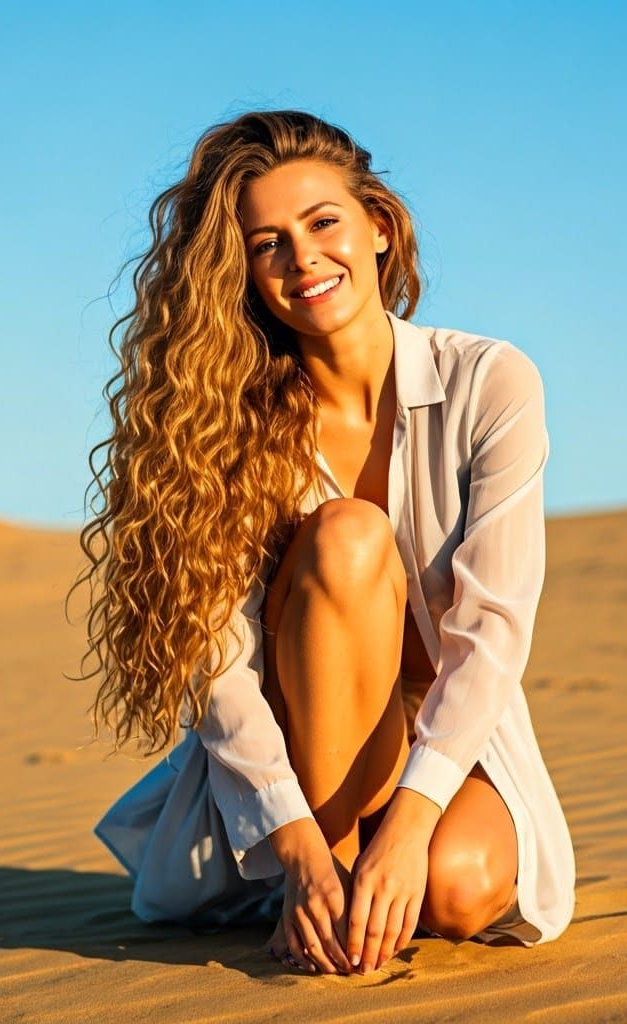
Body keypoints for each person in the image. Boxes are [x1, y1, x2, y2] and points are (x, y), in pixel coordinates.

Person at [77, 109, 575, 976]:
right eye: (266, 242)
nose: (302, 259)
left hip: (444, 735)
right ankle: (324, 880)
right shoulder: (221, 424)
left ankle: (367, 874)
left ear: (378, 227)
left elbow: (494, 633)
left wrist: (416, 825)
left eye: (322, 222)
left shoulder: (490, 381)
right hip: (297, 754)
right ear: (243, 272)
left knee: (457, 892)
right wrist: (306, 852)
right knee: (349, 534)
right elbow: (218, 665)